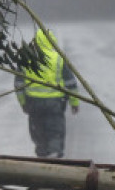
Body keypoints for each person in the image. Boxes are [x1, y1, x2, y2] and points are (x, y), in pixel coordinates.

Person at [15, 29, 80, 158]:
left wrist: (23, 103)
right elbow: (70, 83)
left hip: (34, 104)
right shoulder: (58, 59)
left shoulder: (27, 59)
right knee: (55, 131)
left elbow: (18, 85)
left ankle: (43, 157)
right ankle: (55, 158)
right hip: (55, 103)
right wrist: (74, 103)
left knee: (38, 133)